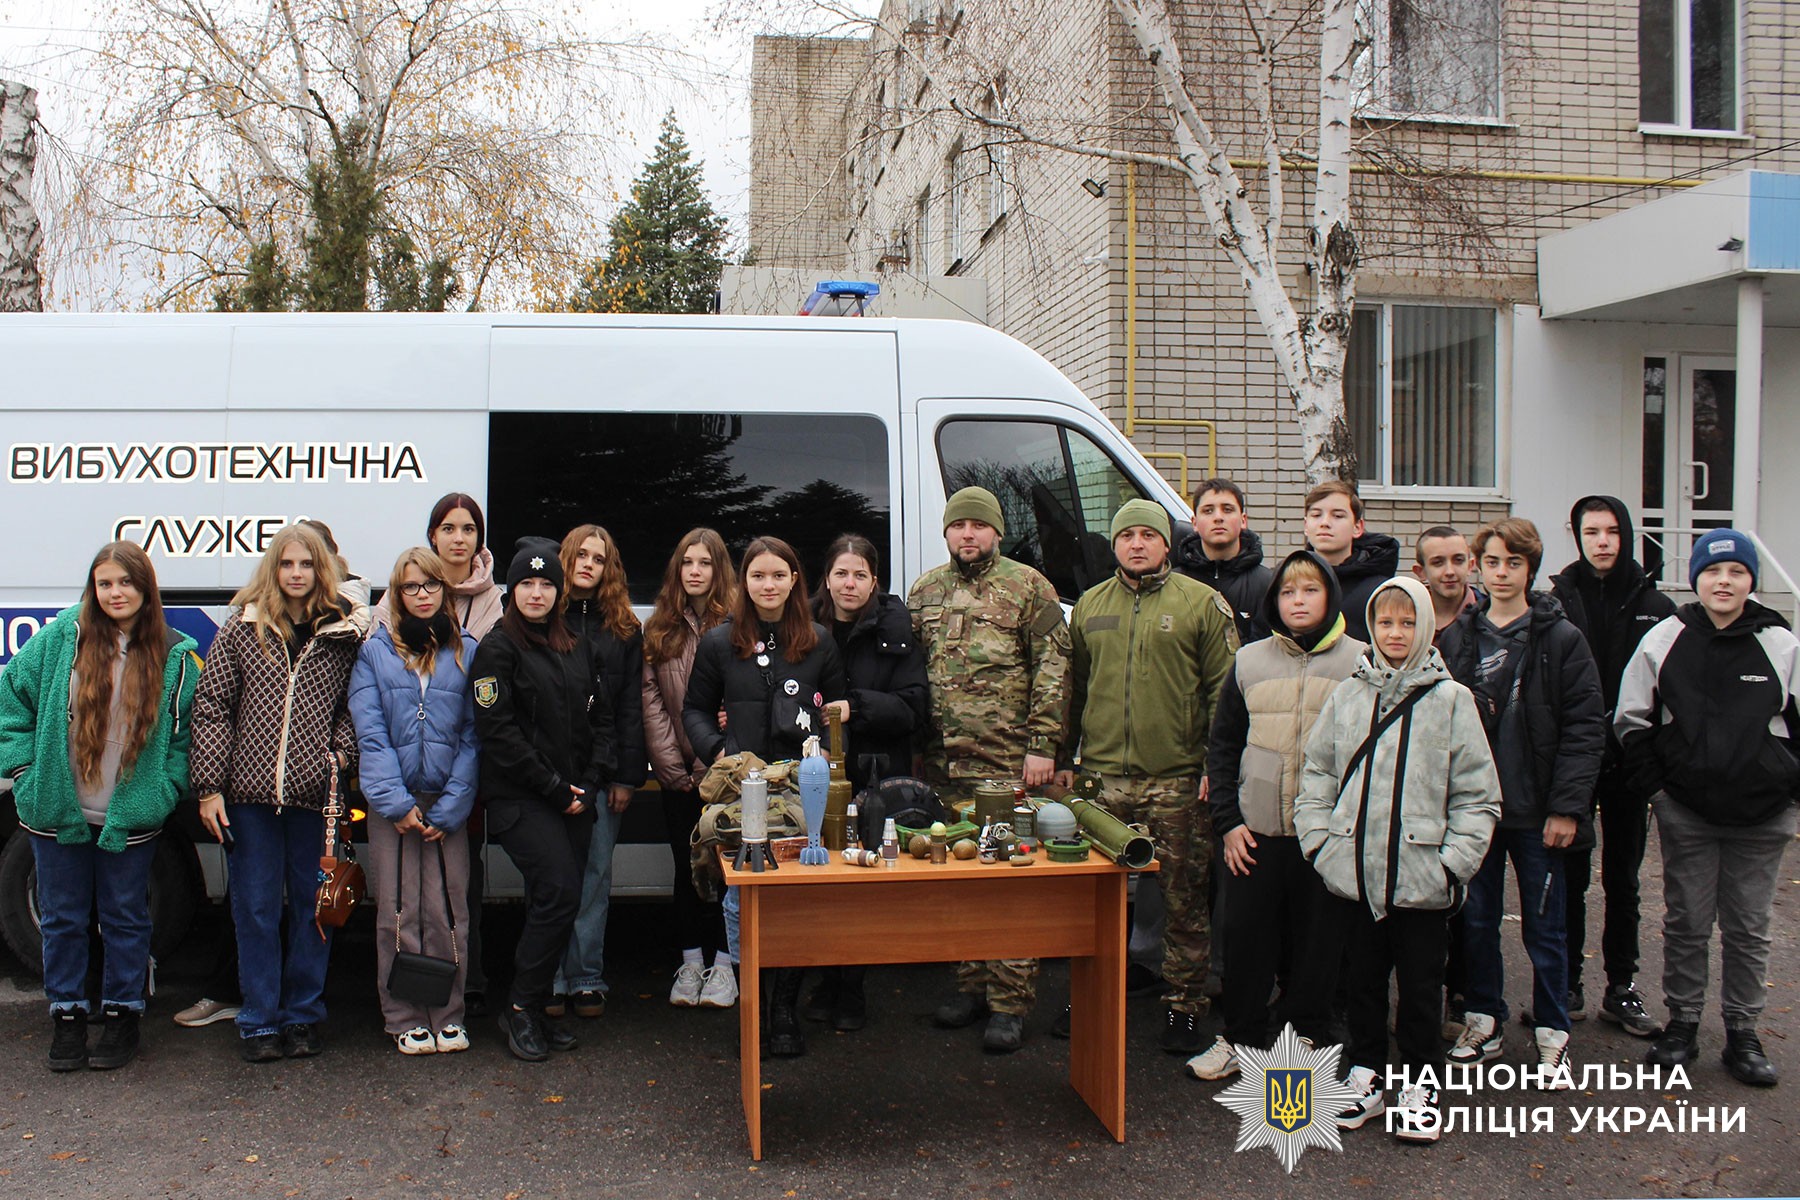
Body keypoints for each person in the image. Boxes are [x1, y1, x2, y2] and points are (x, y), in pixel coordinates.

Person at [1294, 577, 1501, 1143]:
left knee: (1419, 985)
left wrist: (1452, 864)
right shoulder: (1350, 694)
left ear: (1427, 627)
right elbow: (1316, 773)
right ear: (1371, 626)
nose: (1395, 633)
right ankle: (1366, 1071)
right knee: (1362, 981)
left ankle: (1419, 1081)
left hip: (1421, 878)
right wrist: (1320, 842)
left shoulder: (1452, 700)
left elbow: (1477, 795)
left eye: (1407, 623)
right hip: (1354, 876)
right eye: (1385, 622)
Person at [0, 542, 200, 1072]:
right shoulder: (61, 637)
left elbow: (184, 740)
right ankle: (67, 1018)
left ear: (145, 589)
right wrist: (24, 771)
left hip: (127, 817)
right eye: (105, 583)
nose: (115, 593)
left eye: (126, 583)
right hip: (57, 811)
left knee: (126, 919)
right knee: (63, 919)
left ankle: (122, 1017)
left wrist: (163, 791)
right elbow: (9, 698)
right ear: (93, 587)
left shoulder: (175, 652)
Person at [1056, 499, 1238, 1055]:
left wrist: (1215, 767)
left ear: (1166, 543)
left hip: (1178, 781)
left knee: (1184, 901)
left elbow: (1225, 697)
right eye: (1126, 535)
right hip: (1103, 780)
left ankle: (1184, 1006)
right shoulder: (1089, 606)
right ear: (1113, 545)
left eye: (1147, 535)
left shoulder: (1201, 604)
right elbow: (1073, 691)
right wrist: (1066, 758)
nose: (1137, 544)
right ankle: (1089, 995)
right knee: (1093, 900)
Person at [1617, 530, 1798, 1087]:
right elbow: (1630, 723)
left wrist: (1788, 790)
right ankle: (1683, 1024)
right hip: (1688, 813)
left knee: (1748, 928)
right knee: (1688, 922)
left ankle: (1743, 1032)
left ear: (1750, 581)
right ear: (1696, 578)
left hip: (1763, 816)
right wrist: (1661, 797)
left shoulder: (1780, 645)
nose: (1725, 582)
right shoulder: (1666, 639)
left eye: (1737, 573)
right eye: (1714, 572)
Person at [1438, 518, 1604, 1084]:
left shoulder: (1561, 638)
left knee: (1544, 926)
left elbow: (1585, 727)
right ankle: (1483, 1018)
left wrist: (1568, 808)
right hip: (1475, 812)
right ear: (1478, 568)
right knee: (1478, 921)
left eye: (1514, 563)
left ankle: (1553, 1029)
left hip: (1538, 814)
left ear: (1530, 569)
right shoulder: (1457, 636)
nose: (1502, 572)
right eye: (1492, 562)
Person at [1188, 550, 1363, 1082]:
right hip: (1256, 831)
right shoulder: (1250, 661)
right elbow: (1223, 747)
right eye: (1288, 592)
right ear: (1274, 601)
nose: (1298, 601)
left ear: (1330, 597)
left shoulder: (1360, 662)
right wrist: (1229, 823)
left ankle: (1307, 1038)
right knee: (1246, 939)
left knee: (1318, 944)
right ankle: (1240, 1037)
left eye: (1310, 591)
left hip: (1324, 836)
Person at [191, 525, 362, 1063]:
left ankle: (303, 1016)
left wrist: (339, 757)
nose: (295, 574)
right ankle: (259, 1019)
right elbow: (213, 705)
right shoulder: (243, 627)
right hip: (250, 800)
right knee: (256, 910)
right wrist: (209, 787)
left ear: (322, 570)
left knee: (316, 909)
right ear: (274, 568)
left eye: (306, 565)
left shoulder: (343, 633)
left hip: (317, 800)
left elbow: (354, 711)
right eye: (287, 564)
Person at [909, 486, 1071, 1054]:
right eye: (959, 526)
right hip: (944, 764)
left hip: (1009, 765)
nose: (968, 535)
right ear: (947, 533)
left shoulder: (1030, 587)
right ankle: (970, 986)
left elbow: (1054, 665)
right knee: (955, 877)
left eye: (979, 525)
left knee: (1009, 880)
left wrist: (1043, 743)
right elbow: (910, 674)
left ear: (997, 532)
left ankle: (1009, 1002)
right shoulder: (925, 591)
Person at [682, 535, 847, 1058]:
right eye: (758, 576)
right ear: (743, 582)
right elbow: (694, 711)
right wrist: (722, 753)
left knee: (796, 902)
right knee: (739, 901)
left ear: (795, 579)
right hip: (741, 795)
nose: (768, 585)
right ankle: (751, 1004)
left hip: (803, 792)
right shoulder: (718, 642)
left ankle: (783, 1009)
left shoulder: (820, 641)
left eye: (778, 575)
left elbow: (838, 716)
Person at [471, 539, 616, 1063]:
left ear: (559, 592)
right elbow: (499, 734)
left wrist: (592, 782)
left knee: (566, 897)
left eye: (547, 584)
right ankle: (520, 1007)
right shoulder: (497, 648)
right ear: (512, 590)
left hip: (576, 797)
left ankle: (530, 1007)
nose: (537, 593)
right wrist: (555, 788)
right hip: (522, 799)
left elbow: (602, 720)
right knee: (556, 890)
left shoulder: (577, 645)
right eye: (527, 584)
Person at [1547, 496, 1675, 1036]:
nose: (1602, 541)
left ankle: (1620, 987)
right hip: (1573, 762)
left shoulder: (1656, 606)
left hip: (1629, 763)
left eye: (1612, 531)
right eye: (1591, 531)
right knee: (1570, 878)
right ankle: (1568, 983)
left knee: (1622, 879)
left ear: (1626, 536)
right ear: (1577, 536)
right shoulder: (1557, 599)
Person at [349, 548, 480, 1056]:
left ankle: (448, 1013)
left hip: (446, 803)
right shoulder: (375, 652)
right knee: (398, 912)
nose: (422, 595)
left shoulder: (467, 649)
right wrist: (394, 802)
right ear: (396, 594)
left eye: (430, 585)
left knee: (449, 911)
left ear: (444, 591)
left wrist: (451, 807)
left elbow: (474, 737)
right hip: (394, 807)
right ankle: (403, 1015)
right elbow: (371, 734)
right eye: (411, 587)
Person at [805, 534, 929, 1032]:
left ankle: (851, 985)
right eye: (841, 573)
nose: (849, 584)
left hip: (874, 772)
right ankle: (822, 979)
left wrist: (858, 707)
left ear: (875, 581)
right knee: (815, 879)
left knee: (857, 879)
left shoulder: (896, 630)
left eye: (859, 574)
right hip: (815, 771)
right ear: (827, 579)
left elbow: (915, 709)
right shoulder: (805, 626)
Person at [408, 493, 504, 1019]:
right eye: (448, 527)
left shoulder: (494, 602)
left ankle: (469, 977)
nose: (459, 538)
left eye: (469, 528)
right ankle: (419, 985)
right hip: (413, 758)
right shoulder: (405, 589)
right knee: (414, 881)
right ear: (433, 536)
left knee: (464, 875)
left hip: (468, 755)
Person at [550, 524, 647, 1021]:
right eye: (581, 555)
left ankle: (585, 976)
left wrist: (628, 776)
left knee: (594, 875)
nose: (588, 564)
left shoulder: (625, 628)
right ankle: (550, 976)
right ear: (565, 559)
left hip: (606, 772)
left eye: (599, 558)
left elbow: (632, 706)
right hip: (549, 773)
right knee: (550, 877)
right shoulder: (542, 615)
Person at [643, 528, 737, 1009]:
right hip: (677, 774)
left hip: (727, 772)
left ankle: (725, 966)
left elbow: (743, 698)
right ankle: (691, 963)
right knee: (685, 870)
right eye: (687, 563)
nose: (695, 571)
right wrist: (671, 765)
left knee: (725, 871)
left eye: (704, 563)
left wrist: (714, 761)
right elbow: (651, 697)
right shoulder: (659, 626)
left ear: (719, 570)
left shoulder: (739, 624)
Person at [1176, 478, 1275, 643]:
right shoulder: (1175, 584)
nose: (1218, 518)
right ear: (1194, 523)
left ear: (1243, 520)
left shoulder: (1268, 584)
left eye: (1227, 510)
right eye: (1208, 511)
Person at [1301, 481, 1399, 643]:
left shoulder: (1379, 590)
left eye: (1338, 516)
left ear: (1357, 527)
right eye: (1316, 515)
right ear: (1306, 525)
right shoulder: (1287, 582)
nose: (1325, 523)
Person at [1413, 526, 1482, 640]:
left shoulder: (1489, 618)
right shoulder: (1406, 619)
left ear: (1470, 566)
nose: (1450, 571)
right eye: (1438, 563)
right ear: (1421, 572)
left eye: (1458, 560)